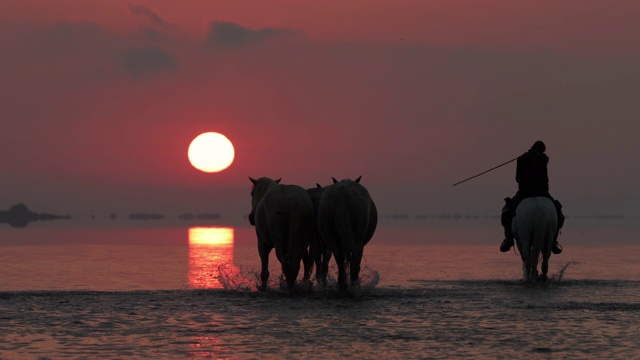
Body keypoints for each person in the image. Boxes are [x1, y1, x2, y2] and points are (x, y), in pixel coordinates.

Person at [500, 141, 564, 254]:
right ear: (542, 150)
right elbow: (546, 179)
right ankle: (553, 242)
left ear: (532, 148)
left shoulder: (521, 159)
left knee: (506, 211)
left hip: (525, 192)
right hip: (542, 192)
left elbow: (518, 179)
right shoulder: (544, 159)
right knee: (558, 212)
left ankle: (508, 240)